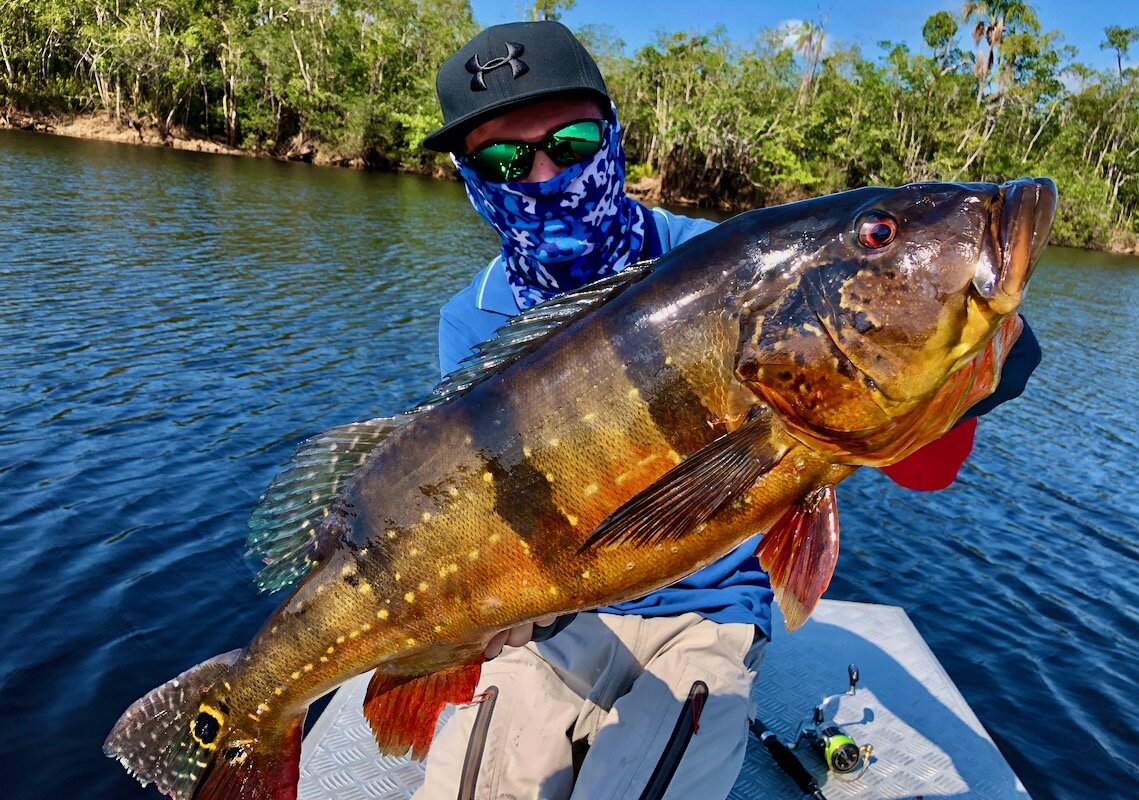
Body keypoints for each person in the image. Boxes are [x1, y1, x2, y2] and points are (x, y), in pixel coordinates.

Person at [414, 21, 1040, 800]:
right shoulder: (471, 319)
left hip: (707, 613)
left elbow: (925, 468)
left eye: (570, 143)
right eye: (503, 160)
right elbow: (478, 514)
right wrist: (494, 617)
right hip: (558, 614)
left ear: (611, 137)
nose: (543, 175)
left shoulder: (735, 269)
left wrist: (971, 365)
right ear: (472, 179)